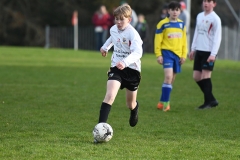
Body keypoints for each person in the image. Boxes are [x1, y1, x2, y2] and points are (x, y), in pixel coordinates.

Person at [94, 4, 143, 142]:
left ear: (129, 19)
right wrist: (105, 47)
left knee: (130, 103)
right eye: (116, 19)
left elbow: (138, 52)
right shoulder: (114, 29)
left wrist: (126, 62)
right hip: (116, 67)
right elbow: (112, 38)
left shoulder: (133, 34)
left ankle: (134, 109)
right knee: (109, 95)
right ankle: (100, 130)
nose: (119, 22)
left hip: (132, 70)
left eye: (122, 19)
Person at [154, 1, 188, 112]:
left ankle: (161, 101)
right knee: (168, 77)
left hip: (177, 55)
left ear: (180, 11)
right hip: (167, 53)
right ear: (168, 11)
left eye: (177, 10)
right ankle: (167, 104)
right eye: (172, 10)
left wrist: (183, 55)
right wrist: (158, 54)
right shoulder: (162, 24)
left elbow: (184, 42)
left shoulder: (182, 25)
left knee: (171, 79)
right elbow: (157, 41)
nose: (175, 12)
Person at [189, 0, 221, 109]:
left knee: (206, 76)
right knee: (196, 77)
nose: (206, 3)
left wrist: (213, 54)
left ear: (214, 4)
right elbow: (196, 33)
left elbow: (217, 38)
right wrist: (193, 49)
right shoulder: (199, 16)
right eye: (204, 1)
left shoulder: (215, 18)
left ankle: (208, 102)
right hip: (199, 50)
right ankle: (211, 99)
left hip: (209, 52)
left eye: (209, 1)